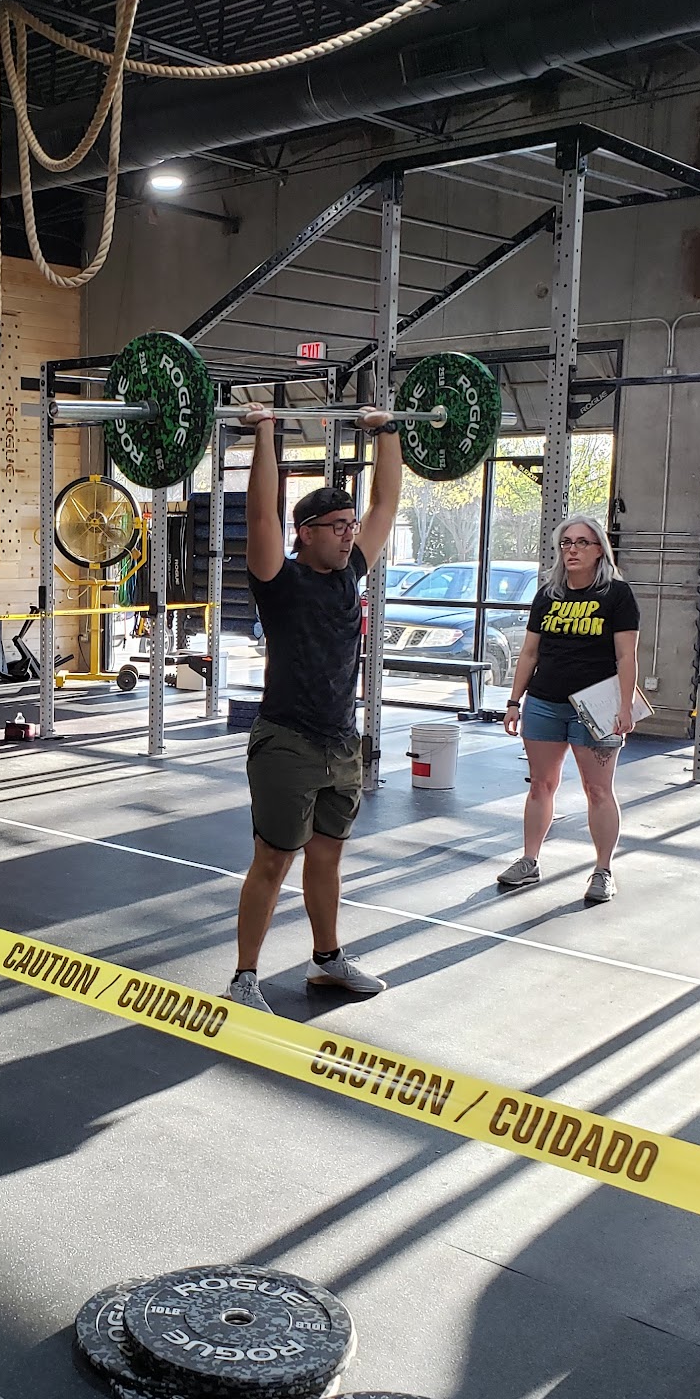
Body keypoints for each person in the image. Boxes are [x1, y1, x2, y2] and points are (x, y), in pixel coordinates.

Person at [227, 403, 402, 1014]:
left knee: (327, 857)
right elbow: (260, 514)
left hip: (341, 742)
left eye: (350, 524)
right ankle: (244, 978)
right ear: (305, 532)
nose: (350, 533)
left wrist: (387, 433)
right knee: (273, 860)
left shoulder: (350, 573)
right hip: (287, 743)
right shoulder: (278, 580)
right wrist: (265, 433)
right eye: (336, 526)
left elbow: (386, 505)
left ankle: (327, 961)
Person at [497, 514, 640, 905]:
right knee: (540, 784)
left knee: (598, 789)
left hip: (596, 706)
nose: (572, 550)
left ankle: (603, 870)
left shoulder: (617, 595)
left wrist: (625, 706)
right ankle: (529, 860)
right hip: (545, 701)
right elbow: (529, 653)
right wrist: (514, 702)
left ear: (599, 550)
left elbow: (626, 656)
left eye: (581, 543)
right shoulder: (548, 595)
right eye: (566, 543)